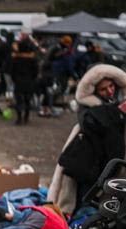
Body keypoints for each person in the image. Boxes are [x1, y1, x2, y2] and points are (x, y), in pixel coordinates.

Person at [48, 64, 126, 216]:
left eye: (111, 86)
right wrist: (118, 113)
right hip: (91, 167)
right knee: (85, 204)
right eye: (103, 89)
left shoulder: (115, 104)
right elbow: (94, 121)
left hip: (114, 167)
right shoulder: (88, 110)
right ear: (94, 91)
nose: (110, 91)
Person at [10, 40, 39, 125]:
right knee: (27, 100)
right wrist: (33, 79)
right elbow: (36, 71)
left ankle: (19, 118)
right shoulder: (32, 60)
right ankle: (26, 117)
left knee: (19, 100)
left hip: (18, 81)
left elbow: (12, 71)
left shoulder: (16, 59)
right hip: (29, 81)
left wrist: (14, 79)